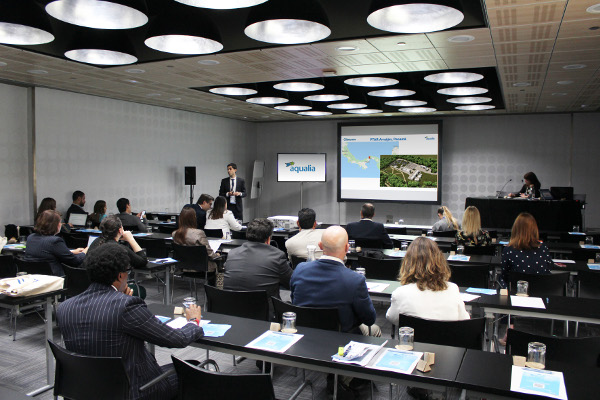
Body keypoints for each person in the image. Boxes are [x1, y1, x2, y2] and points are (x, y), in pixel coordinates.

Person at [56, 244, 204, 400]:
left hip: (85, 390)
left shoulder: (65, 308)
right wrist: (193, 321)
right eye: (128, 272)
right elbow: (177, 339)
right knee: (193, 369)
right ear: (120, 276)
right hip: (133, 391)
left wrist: (122, 298)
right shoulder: (127, 306)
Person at [291, 226, 381, 336]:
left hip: (305, 333)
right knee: (375, 329)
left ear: (320, 245)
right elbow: (369, 319)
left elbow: (294, 301)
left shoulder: (299, 269)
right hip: (341, 338)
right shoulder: (355, 280)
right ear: (347, 248)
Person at [386, 237, 470, 326]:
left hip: (416, 335)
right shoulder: (453, 288)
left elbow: (392, 318)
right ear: (440, 261)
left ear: (407, 262)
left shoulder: (400, 293)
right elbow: (464, 319)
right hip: (447, 334)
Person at [223, 218, 292, 300]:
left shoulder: (232, 253)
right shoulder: (277, 256)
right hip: (263, 306)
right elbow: (292, 283)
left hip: (230, 306)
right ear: (268, 239)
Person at [24, 210, 86, 276]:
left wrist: (72, 252)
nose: (61, 224)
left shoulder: (30, 237)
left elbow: (45, 253)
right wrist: (84, 252)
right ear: (55, 225)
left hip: (34, 276)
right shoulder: (55, 241)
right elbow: (75, 261)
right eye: (60, 222)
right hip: (55, 277)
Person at [499, 212, 552, 288]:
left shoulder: (508, 250)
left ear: (515, 229)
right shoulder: (543, 249)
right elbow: (548, 270)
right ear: (534, 229)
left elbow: (504, 275)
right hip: (540, 291)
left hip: (516, 292)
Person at [172, 207, 218, 273]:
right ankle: (219, 280)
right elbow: (209, 253)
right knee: (219, 263)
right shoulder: (199, 233)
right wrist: (217, 256)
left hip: (184, 267)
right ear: (193, 218)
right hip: (202, 268)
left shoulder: (175, 234)